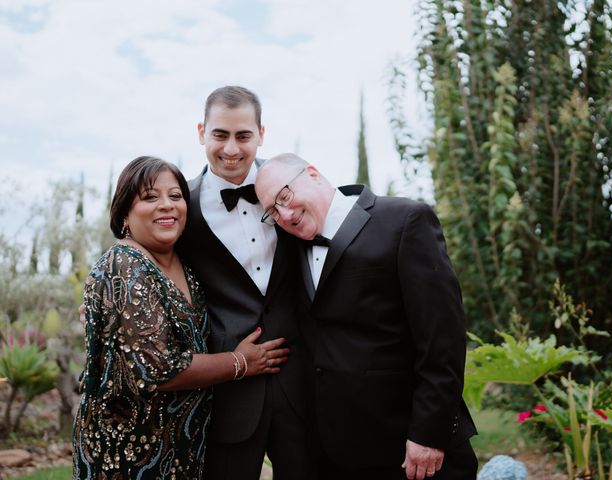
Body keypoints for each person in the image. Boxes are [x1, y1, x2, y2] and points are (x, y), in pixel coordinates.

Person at [255, 153, 478, 480]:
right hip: (336, 455)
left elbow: (443, 338)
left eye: (284, 196)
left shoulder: (404, 221)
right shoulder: (291, 247)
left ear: (313, 174)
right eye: (272, 211)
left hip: (412, 450)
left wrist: (429, 434)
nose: (284, 214)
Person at [72, 156, 289, 479]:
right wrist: (240, 362)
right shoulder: (124, 266)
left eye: (175, 196)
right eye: (150, 197)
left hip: (182, 447)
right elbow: (161, 369)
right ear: (124, 212)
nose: (167, 205)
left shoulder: (182, 263)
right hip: (129, 451)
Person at [177, 87, 314, 479]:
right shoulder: (181, 202)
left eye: (243, 136)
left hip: (301, 375)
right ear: (202, 132)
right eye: (220, 135)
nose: (231, 149)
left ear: (261, 134)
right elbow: (143, 249)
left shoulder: (294, 184)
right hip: (229, 387)